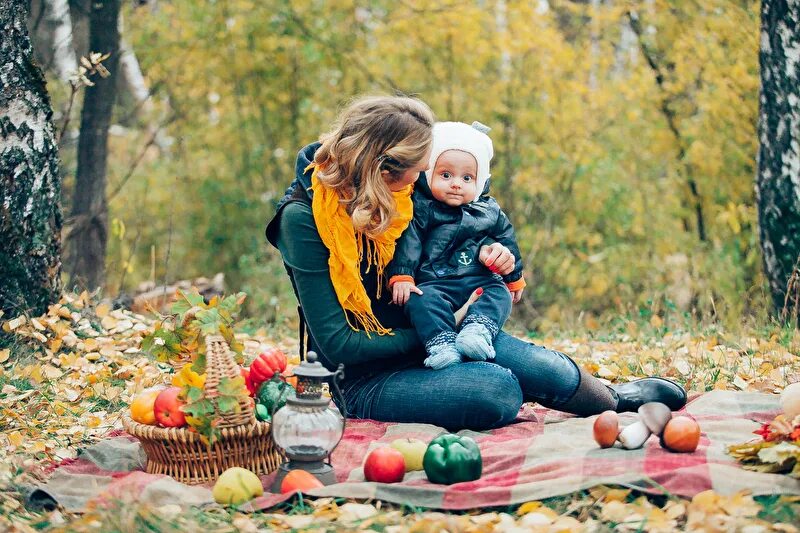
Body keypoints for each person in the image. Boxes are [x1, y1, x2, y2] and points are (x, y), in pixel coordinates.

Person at [265, 94, 686, 431]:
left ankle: (616, 400)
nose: (419, 181)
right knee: (495, 389)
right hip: (362, 375)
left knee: (545, 370)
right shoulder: (302, 219)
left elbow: (467, 215)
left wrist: (492, 253)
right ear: (380, 168)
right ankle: (463, 381)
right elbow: (340, 345)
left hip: (430, 324)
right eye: (415, 171)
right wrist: (441, 327)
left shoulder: (396, 191)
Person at [387, 121, 525, 369]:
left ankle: (478, 330)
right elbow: (409, 242)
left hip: (477, 279)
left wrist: (514, 277)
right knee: (420, 301)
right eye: (446, 175)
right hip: (434, 282)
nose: (456, 184)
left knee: (499, 293)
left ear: (480, 180)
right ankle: (441, 344)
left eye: (467, 177)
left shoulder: (489, 210)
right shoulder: (421, 207)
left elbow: (507, 239)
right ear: (428, 174)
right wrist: (403, 276)